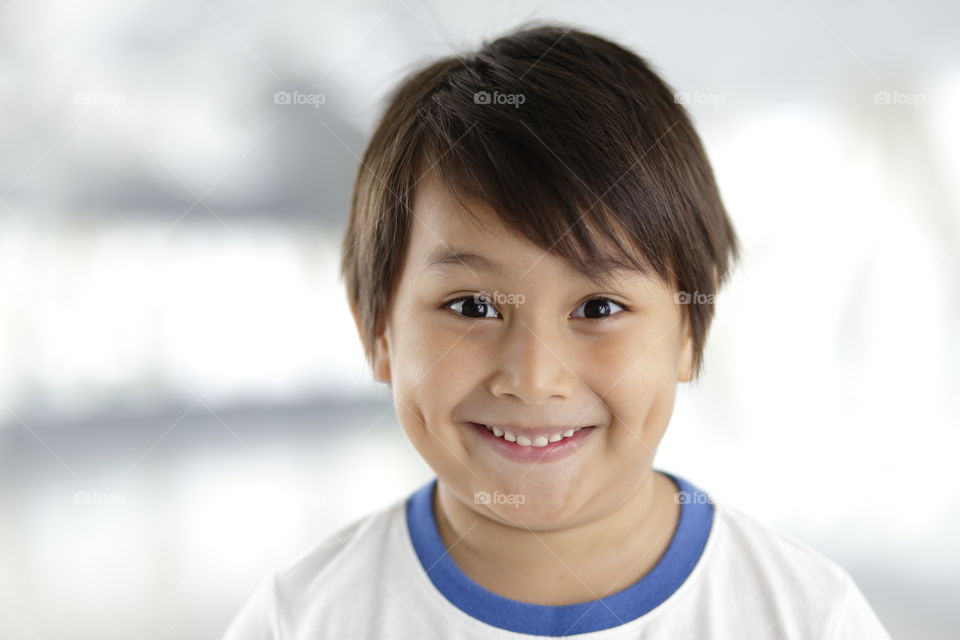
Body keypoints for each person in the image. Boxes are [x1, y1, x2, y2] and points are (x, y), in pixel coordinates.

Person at [224, 23, 891, 638]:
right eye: (471, 308)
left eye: (598, 309)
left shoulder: (806, 617)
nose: (534, 376)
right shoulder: (301, 620)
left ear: (687, 334)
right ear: (378, 333)